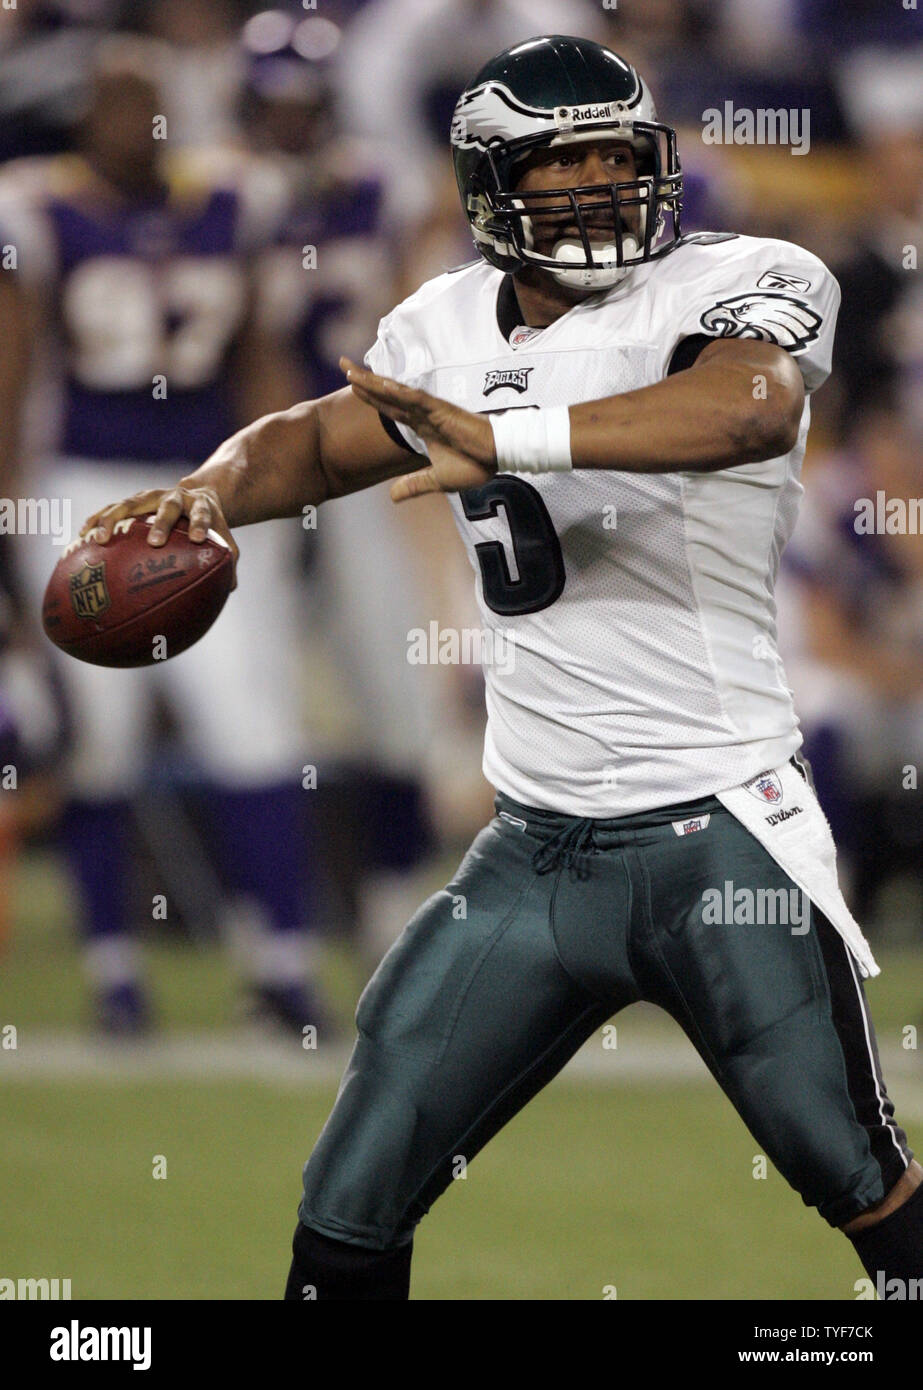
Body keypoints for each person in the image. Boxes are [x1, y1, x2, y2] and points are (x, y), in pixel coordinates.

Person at [83, 35, 921, 1299]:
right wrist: (209, 492)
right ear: (487, 186)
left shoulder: (748, 276)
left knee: (856, 1176)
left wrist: (510, 432)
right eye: (558, 162)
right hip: (531, 853)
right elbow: (317, 440)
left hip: (719, 833)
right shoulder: (439, 319)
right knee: (349, 1202)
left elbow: (742, 408)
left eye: (613, 157)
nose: (593, 185)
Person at [2, 37, 327, 1035]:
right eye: (114, 101)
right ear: (82, 113)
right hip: (81, 489)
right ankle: (113, 973)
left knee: (256, 731)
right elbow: (12, 368)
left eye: (149, 100)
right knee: (98, 741)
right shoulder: (33, 204)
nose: (133, 120)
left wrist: (282, 492)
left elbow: (263, 357)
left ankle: (281, 968)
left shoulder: (238, 200)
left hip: (202, 491)